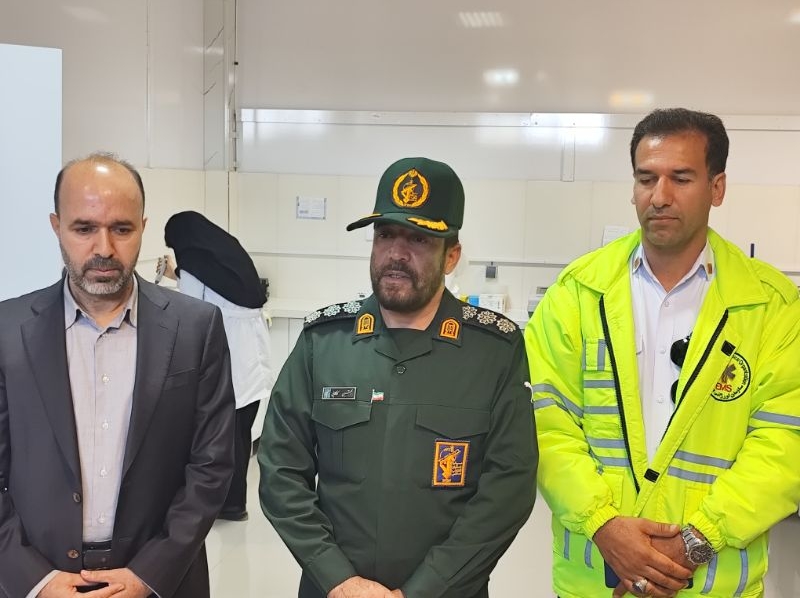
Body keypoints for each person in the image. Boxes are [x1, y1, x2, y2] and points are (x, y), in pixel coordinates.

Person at [525, 108, 800, 598]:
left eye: (682, 178)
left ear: (717, 188)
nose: (660, 196)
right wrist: (603, 524)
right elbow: (545, 423)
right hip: (595, 583)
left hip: (712, 585)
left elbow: (784, 444)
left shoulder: (770, 305)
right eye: (646, 178)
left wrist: (695, 541)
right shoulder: (577, 293)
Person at [258, 156, 538, 598]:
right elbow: (280, 469)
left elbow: (509, 488)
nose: (396, 254)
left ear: (452, 255)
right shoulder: (324, 343)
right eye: (385, 235)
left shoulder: (493, 352)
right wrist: (338, 579)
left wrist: (425, 589)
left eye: (419, 239)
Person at [0, 153, 235, 598]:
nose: (104, 249)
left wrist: (150, 574)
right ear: (56, 226)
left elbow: (211, 466)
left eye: (122, 229)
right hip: (40, 577)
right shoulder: (8, 331)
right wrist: (35, 580)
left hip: (163, 580)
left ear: (143, 227)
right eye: (84, 228)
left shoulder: (196, 328)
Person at [160, 210, 273, 521]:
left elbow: (191, 308)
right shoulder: (226, 252)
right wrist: (176, 275)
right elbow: (218, 293)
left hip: (231, 358)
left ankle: (229, 505)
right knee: (240, 434)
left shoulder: (193, 262)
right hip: (254, 357)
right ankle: (234, 503)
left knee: (223, 438)